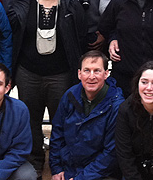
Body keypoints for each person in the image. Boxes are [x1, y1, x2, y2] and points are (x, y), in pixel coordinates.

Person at [7, 0, 87, 177]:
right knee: (30, 119)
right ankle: (34, 161)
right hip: (28, 73)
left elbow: (79, 40)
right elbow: (13, 35)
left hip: (60, 75)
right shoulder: (22, 2)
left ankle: (59, 162)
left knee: (60, 120)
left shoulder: (72, 5)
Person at [49, 50, 125, 180]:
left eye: (97, 71)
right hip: (68, 170)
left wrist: (82, 178)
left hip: (100, 174)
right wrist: (57, 169)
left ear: (106, 74)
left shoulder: (117, 106)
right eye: (87, 70)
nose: (91, 76)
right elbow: (57, 133)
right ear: (79, 74)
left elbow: (111, 153)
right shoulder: (70, 95)